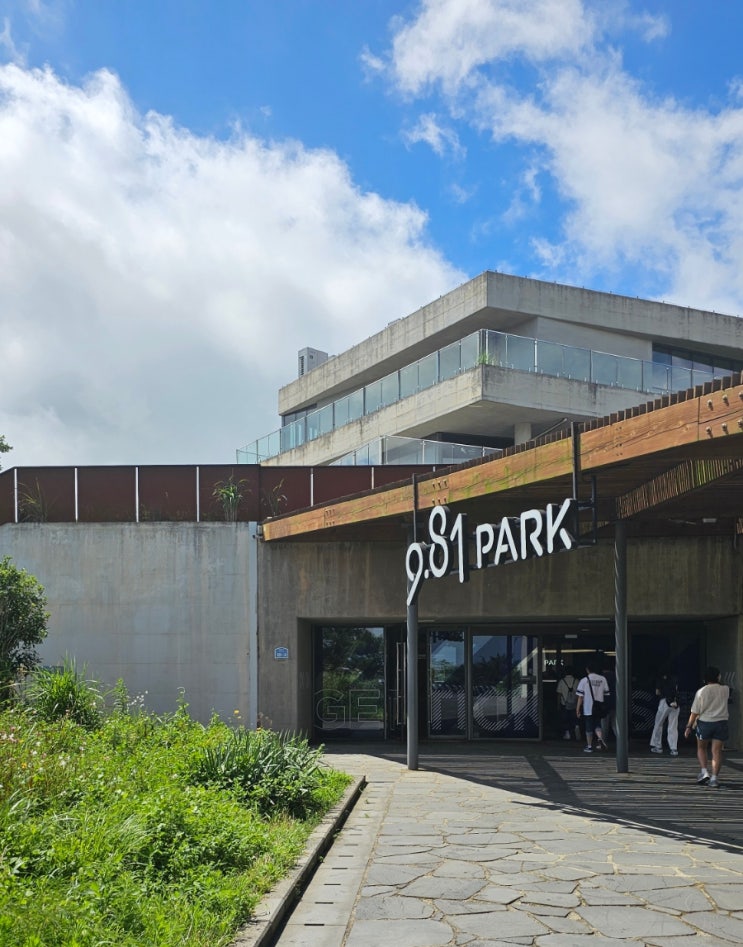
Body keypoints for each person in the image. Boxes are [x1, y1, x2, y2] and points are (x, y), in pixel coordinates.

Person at [684, 666, 730, 788]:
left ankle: (704, 772)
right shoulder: (725, 690)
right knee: (716, 751)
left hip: (705, 723)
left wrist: (689, 726)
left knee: (701, 748)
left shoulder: (701, 692)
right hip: (721, 723)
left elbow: (694, 712)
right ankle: (714, 778)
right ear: (718, 677)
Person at [576, 661, 611, 753]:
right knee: (597, 724)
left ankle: (589, 746)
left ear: (587, 670)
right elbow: (607, 693)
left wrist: (577, 709)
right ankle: (600, 738)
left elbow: (580, 697)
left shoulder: (584, 680)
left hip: (588, 707)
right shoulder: (602, 679)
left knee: (589, 727)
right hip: (599, 707)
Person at [649, 669, 680, 756]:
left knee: (658, 724)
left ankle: (658, 746)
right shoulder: (675, 679)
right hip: (675, 703)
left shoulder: (660, 679)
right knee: (673, 726)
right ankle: (674, 749)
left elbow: (657, 692)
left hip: (664, 702)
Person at [556, 665, 579, 740]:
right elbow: (579, 694)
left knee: (565, 720)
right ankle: (575, 732)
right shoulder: (576, 681)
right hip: (574, 704)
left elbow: (559, 694)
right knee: (574, 719)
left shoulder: (562, 681)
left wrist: (558, 705)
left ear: (565, 672)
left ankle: (567, 733)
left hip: (564, 704)